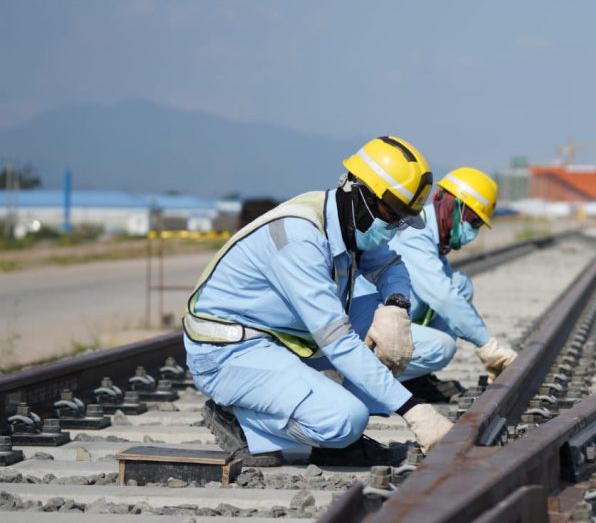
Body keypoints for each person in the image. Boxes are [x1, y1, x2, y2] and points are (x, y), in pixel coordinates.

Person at [182, 136, 453, 467]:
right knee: (344, 420)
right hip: (229, 351)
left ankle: (335, 437)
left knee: (389, 335)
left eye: (402, 220)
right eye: (390, 213)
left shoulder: (349, 221)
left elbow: (389, 265)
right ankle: (240, 417)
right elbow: (337, 342)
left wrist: (396, 306)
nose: (394, 226)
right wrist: (414, 410)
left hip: (277, 337)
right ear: (358, 192)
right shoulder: (300, 239)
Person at [383, 167, 518, 401]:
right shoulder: (415, 233)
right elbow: (443, 298)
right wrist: (487, 347)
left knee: (460, 285)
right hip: (370, 329)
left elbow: (452, 297)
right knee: (441, 347)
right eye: (473, 222)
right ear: (454, 205)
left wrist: (489, 345)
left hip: (396, 318)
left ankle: (414, 376)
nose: (472, 232)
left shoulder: (432, 239)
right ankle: (370, 386)